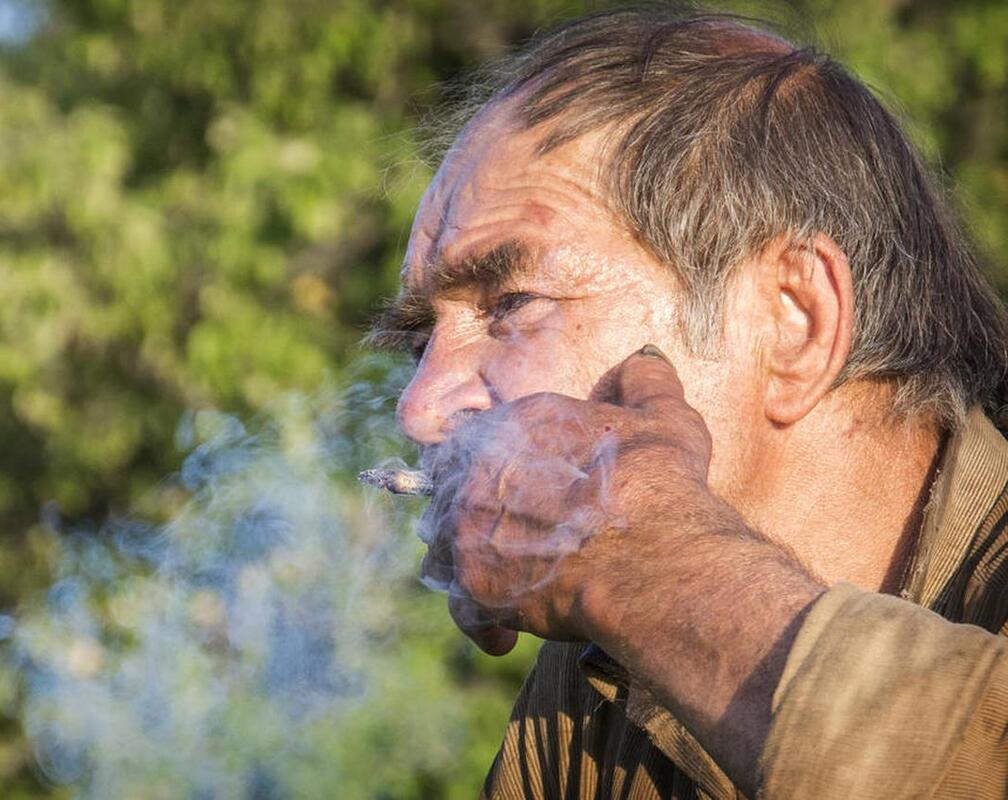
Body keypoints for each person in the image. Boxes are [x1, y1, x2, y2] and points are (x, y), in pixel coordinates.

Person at [368, 5, 1008, 798]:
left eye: (512, 303)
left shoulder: (636, 591)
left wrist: (644, 569)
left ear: (795, 322)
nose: (421, 408)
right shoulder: (601, 682)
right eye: (420, 344)